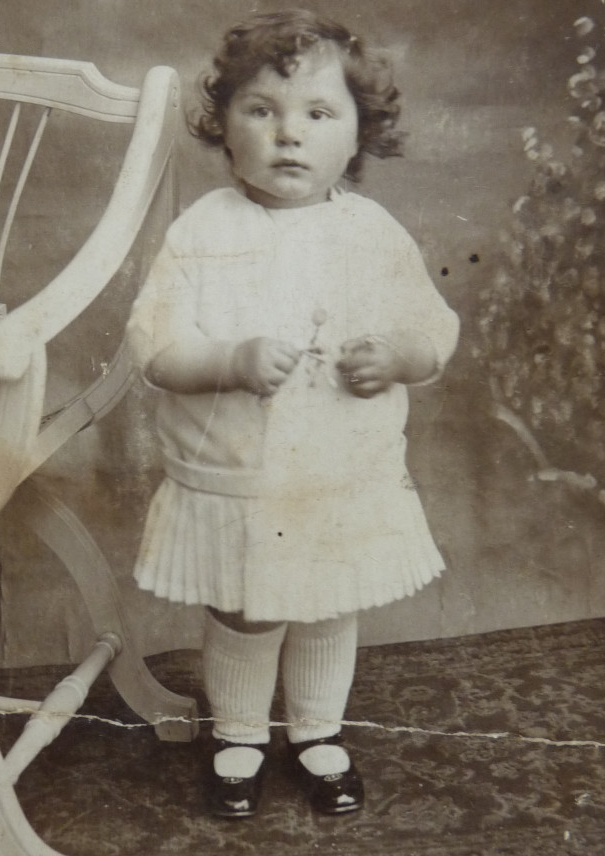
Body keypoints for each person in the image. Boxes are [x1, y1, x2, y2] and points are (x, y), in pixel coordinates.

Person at [126, 8, 459, 819]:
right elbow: (157, 345)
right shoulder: (203, 231)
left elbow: (432, 329)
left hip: (336, 471)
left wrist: (400, 358)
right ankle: (237, 734)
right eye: (261, 111)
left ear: (357, 135)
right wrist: (230, 361)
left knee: (327, 596)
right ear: (224, 127)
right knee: (244, 603)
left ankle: (317, 731)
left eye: (318, 114)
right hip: (237, 471)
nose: (289, 136)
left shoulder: (371, 232)